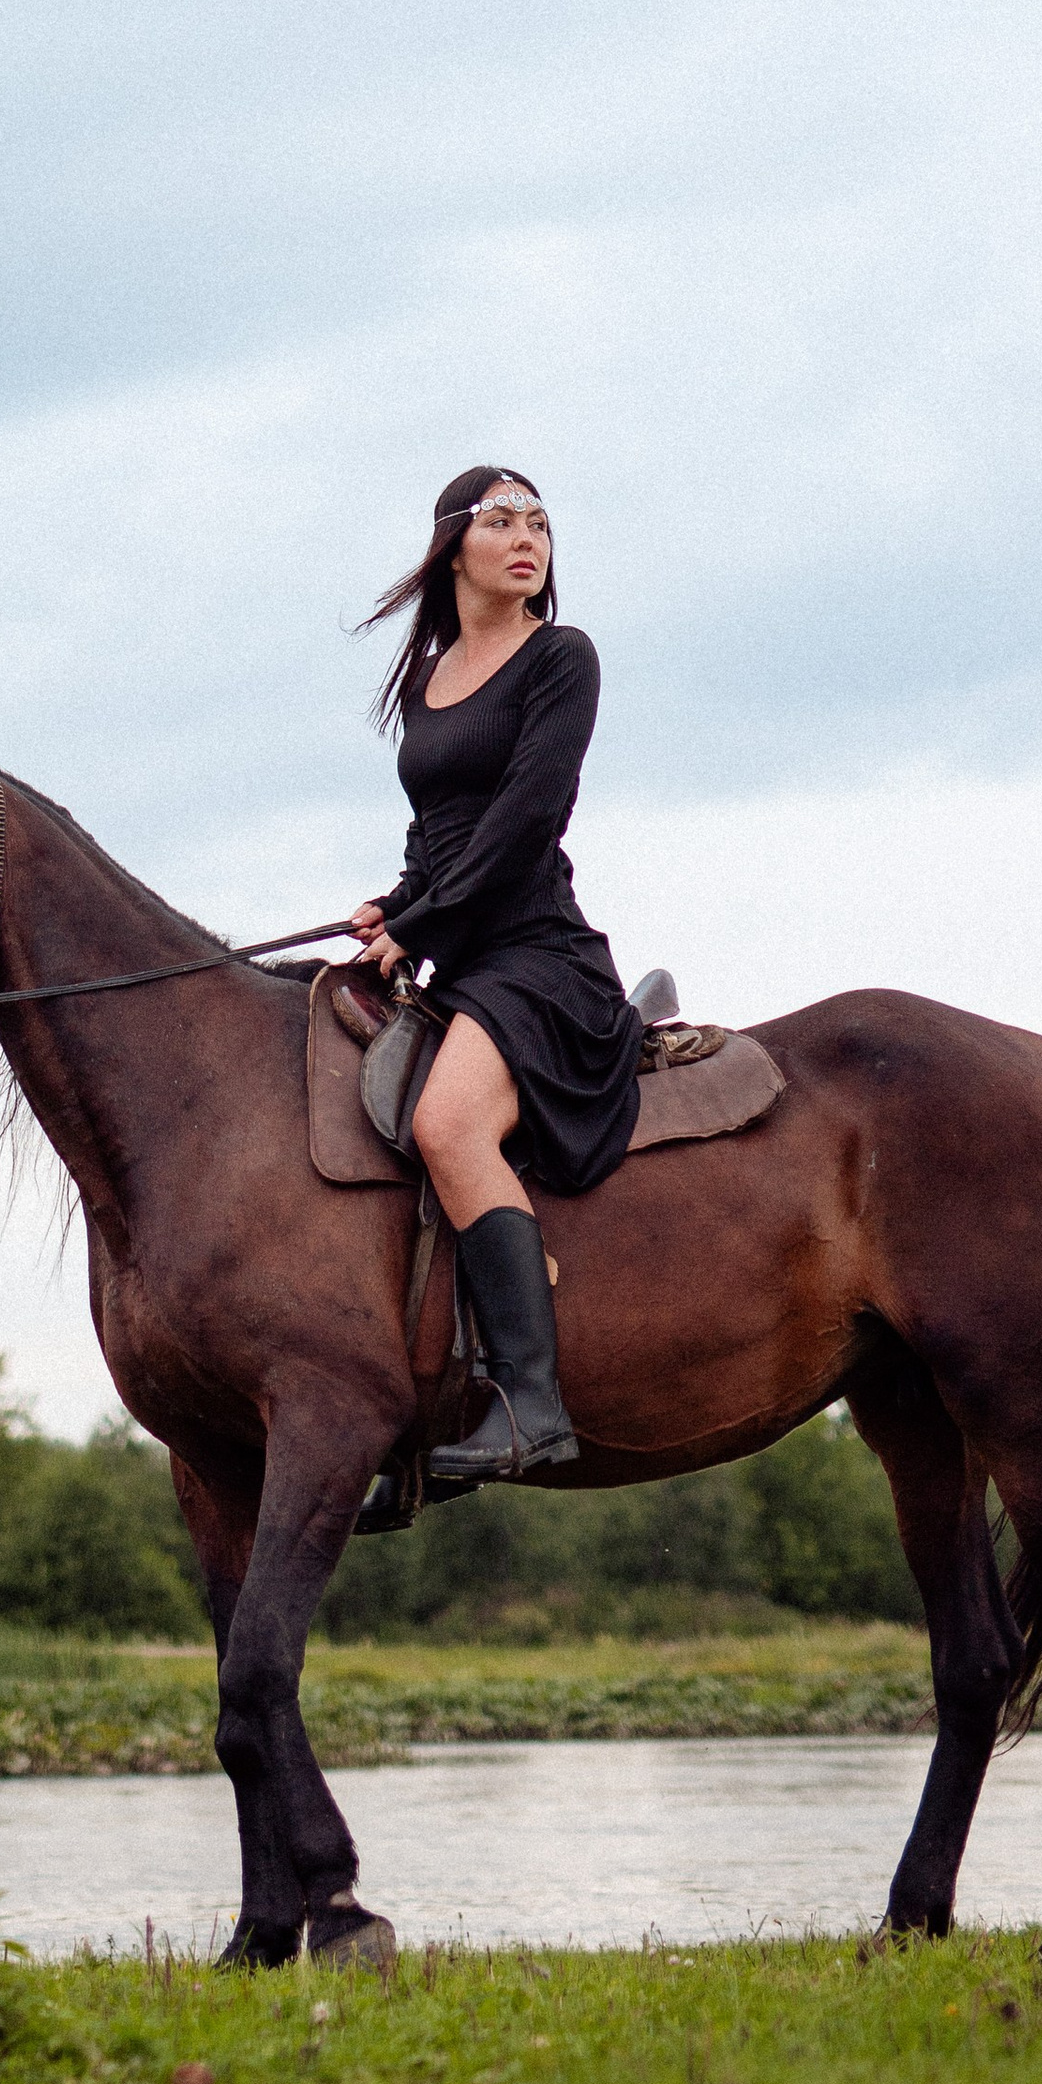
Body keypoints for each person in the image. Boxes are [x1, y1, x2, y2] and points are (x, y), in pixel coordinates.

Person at [347, 464, 640, 1487]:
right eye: (501, 520)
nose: (527, 538)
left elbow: (526, 817)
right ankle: (409, 1405)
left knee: (446, 1125)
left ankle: (530, 1404)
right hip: (456, 951)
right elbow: (442, 831)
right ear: (452, 546)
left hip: (536, 956)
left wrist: (422, 918)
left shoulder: (561, 658)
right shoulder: (427, 675)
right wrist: (398, 902)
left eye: (540, 524)